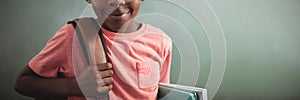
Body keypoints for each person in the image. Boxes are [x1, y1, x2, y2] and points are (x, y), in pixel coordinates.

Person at [14, 0, 172, 99]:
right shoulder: (72, 35)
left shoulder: (161, 41)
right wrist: (73, 86)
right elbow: (23, 83)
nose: (116, 2)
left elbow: (161, 93)